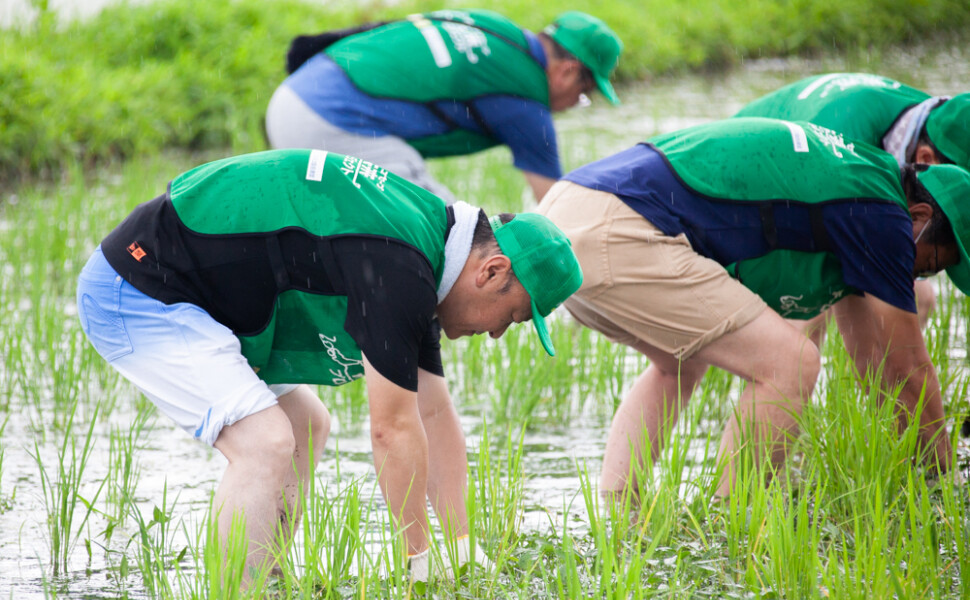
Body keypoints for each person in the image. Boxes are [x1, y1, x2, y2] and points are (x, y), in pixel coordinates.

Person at [76, 148, 583, 584]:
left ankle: (268, 587)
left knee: (305, 425)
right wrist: (419, 556)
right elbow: (391, 429)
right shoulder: (401, 266)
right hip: (137, 289)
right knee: (265, 443)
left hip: (190, 290)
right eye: (512, 316)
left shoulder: (430, 245)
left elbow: (432, 413)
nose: (496, 333)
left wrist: (461, 544)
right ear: (492, 271)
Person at [536, 117, 970, 499]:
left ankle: (619, 510)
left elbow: (874, 361)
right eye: (932, 263)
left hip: (568, 212)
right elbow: (909, 369)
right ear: (918, 215)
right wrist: (942, 483)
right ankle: (731, 525)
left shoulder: (862, 182)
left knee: (676, 363)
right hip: (621, 224)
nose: (919, 277)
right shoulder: (881, 215)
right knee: (791, 363)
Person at [265, 9, 622, 203]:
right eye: (585, 94)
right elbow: (555, 207)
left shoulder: (491, 25)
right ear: (568, 72)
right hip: (331, 122)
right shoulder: (525, 101)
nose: (576, 104)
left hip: (292, 94)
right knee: (450, 234)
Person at [735, 73, 970, 326]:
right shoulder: (843, 144)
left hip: (796, 172)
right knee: (812, 313)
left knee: (917, 299)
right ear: (926, 159)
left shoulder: (941, 122)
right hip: (737, 186)